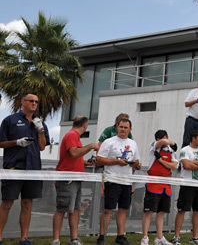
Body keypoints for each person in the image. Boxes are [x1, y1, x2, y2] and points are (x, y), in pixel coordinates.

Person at [0, 93, 50, 245]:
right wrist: (17, 142)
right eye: (31, 101)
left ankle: (24, 239)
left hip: (33, 169)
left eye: (36, 101)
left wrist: (40, 129)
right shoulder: (10, 120)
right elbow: (1, 143)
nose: (34, 103)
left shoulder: (40, 123)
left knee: (28, 203)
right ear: (23, 102)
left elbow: (42, 147)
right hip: (14, 167)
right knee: (7, 203)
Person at [52, 116, 98, 245]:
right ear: (85, 125)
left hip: (75, 179)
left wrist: (84, 163)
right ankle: (56, 240)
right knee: (62, 209)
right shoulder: (72, 135)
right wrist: (91, 146)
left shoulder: (74, 136)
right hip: (67, 179)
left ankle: (74, 238)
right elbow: (74, 152)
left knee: (75, 210)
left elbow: (73, 156)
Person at [96, 118, 141, 245]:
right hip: (112, 179)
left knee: (123, 209)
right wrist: (117, 162)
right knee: (108, 209)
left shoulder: (133, 143)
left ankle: (120, 236)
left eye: (126, 127)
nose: (123, 129)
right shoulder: (109, 142)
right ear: (117, 127)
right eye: (121, 127)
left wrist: (136, 164)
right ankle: (101, 236)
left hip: (127, 181)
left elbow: (137, 160)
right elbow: (99, 159)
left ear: (130, 129)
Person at [172, 131, 198, 245]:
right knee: (182, 210)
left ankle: (195, 236)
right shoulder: (185, 150)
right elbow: (186, 166)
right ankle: (176, 236)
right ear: (193, 138)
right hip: (188, 184)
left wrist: (193, 162)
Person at [141, 130, 178, 245]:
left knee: (161, 213)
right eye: (164, 139)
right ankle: (145, 237)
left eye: (168, 139)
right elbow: (161, 142)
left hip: (165, 186)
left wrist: (161, 161)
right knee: (149, 212)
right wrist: (170, 142)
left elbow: (174, 166)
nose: (166, 142)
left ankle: (159, 237)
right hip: (153, 184)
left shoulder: (171, 151)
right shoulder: (153, 147)